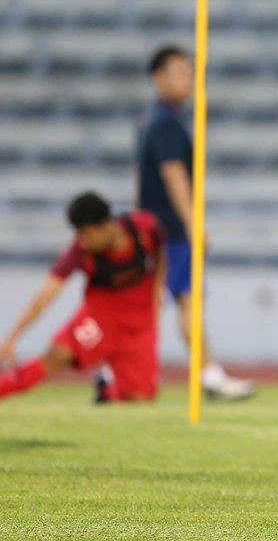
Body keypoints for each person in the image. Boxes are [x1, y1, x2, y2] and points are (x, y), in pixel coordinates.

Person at [136, 45, 255, 401]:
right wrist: (193, 223)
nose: (187, 80)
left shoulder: (154, 119)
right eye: (180, 72)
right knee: (159, 302)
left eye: (190, 72)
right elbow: (173, 173)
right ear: (158, 77)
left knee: (184, 300)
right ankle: (118, 370)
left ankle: (208, 373)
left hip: (157, 226)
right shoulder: (165, 123)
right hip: (169, 230)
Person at [0, 192, 165, 403]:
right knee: (58, 355)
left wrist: (157, 291)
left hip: (139, 325)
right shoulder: (79, 251)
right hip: (100, 321)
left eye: (86, 235)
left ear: (105, 225)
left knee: (140, 399)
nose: (83, 242)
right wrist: (13, 337)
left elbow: (161, 254)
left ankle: (107, 390)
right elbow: (45, 295)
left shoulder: (144, 227)